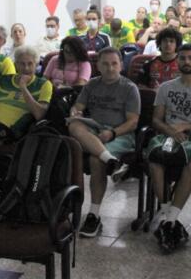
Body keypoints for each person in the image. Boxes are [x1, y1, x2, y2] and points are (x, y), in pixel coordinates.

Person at [146, 45, 191, 253]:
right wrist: (171, 131)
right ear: (177, 62)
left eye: (190, 58)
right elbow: (156, 120)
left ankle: (168, 221)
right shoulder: (166, 87)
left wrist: (186, 126)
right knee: (154, 158)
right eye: (182, 58)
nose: (186, 62)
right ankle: (168, 216)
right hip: (168, 134)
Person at [68, 48, 140, 238]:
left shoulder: (129, 88)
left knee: (94, 160)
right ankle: (111, 160)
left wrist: (112, 133)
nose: (110, 68)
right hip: (95, 129)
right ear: (98, 66)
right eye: (105, 64)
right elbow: (79, 107)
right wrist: (76, 111)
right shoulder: (91, 85)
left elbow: (133, 122)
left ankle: (94, 213)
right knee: (73, 124)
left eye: (114, 63)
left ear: (121, 65)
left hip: (120, 133)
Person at [0, 47, 52, 177]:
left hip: (14, 129)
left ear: (36, 64)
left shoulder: (44, 84)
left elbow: (39, 114)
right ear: (16, 64)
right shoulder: (2, 81)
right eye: (21, 63)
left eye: (30, 64)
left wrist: (23, 87)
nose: (25, 68)